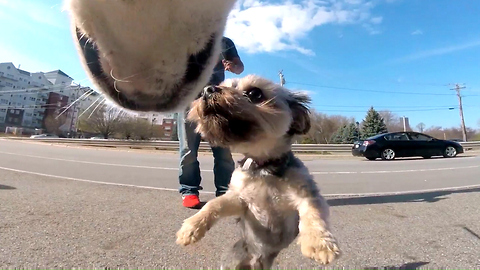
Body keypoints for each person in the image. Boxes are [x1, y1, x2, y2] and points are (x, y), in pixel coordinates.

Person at [177, 37, 244, 208]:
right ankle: (189, 190)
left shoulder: (225, 42)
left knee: (223, 151)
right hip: (188, 99)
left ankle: (225, 191)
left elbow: (239, 67)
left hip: (217, 101)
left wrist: (233, 66)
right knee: (188, 150)